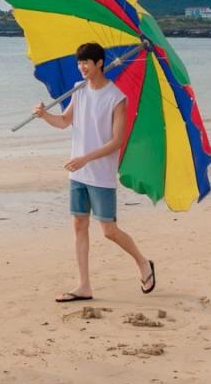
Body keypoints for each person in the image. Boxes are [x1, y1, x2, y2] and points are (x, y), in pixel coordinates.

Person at [33, 42, 156, 302]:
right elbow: (65, 121)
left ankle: (144, 263)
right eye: (79, 63)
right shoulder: (78, 91)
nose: (82, 67)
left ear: (99, 63)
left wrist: (85, 159)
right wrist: (45, 115)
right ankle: (84, 286)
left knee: (109, 230)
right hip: (77, 173)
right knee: (79, 225)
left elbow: (116, 141)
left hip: (99, 173)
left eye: (86, 62)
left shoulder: (116, 97)